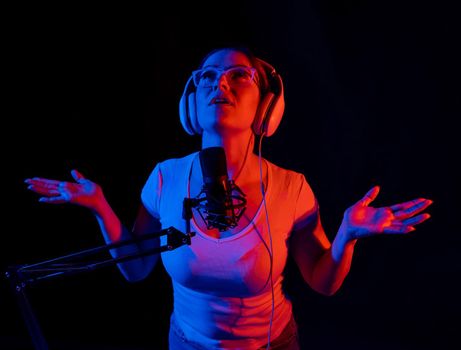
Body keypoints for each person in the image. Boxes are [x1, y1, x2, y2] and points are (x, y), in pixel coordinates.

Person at [24, 47, 432, 350]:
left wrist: (347, 235)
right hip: (186, 343)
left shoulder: (291, 188)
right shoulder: (166, 178)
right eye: (207, 76)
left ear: (266, 107)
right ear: (191, 105)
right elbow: (136, 268)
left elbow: (323, 282)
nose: (220, 82)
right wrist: (99, 205)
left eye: (240, 75)